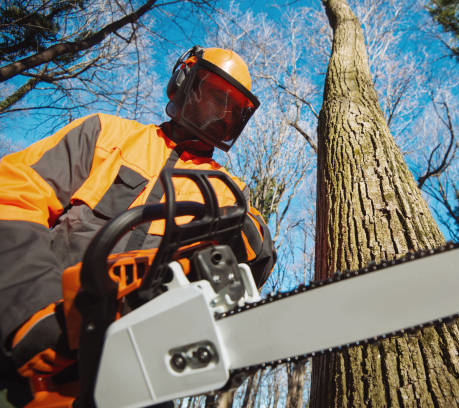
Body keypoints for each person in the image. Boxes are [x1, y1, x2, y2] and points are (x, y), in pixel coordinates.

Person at [0, 46, 276, 406]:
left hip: (139, 375)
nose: (221, 113)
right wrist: (31, 309)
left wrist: (237, 229)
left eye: (232, 109)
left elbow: (260, 255)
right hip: (39, 348)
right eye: (214, 96)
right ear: (184, 82)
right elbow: (13, 194)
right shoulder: (107, 135)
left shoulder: (226, 190)